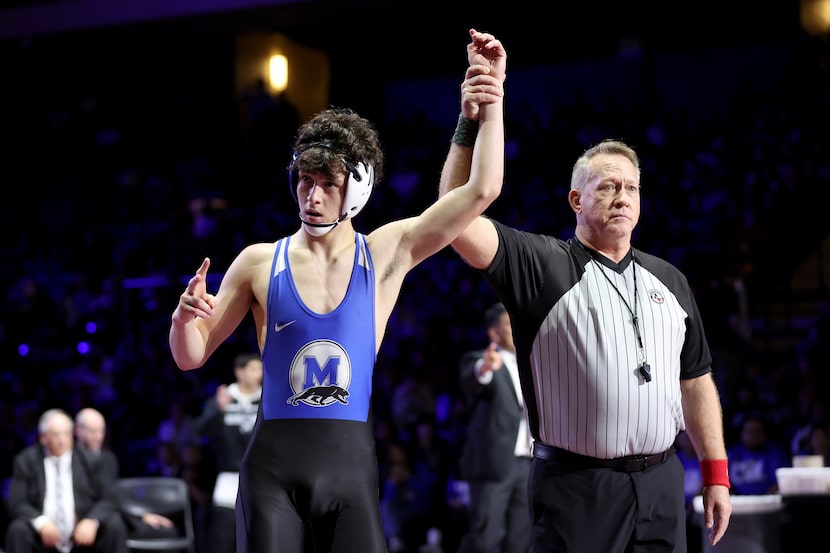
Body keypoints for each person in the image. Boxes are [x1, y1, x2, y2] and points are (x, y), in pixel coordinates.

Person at [168, 28, 505, 553]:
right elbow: (191, 358)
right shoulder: (260, 261)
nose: (313, 194)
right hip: (271, 474)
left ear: (359, 187)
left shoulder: (386, 251)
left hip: (349, 472)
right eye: (305, 179)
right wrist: (183, 319)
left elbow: (481, 191)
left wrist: (486, 105)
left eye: (329, 182)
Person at [437, 34, 732, 550]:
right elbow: (455, 217)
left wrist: (716, 471)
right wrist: (475, 118)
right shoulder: (543, 264)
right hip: (576, 490)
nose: (623, 197)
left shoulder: (672, 280)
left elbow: (696, 381)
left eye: (632, 187)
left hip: (663, 482)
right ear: (576, 198)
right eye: (608, 186)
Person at [455, 302, 531, 553]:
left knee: (520, 542)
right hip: (495, 465)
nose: (516, 328)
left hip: (529, 464)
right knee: (485, 540)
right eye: (509, 324)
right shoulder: (482, 360)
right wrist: (485, 368)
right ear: (494, 333)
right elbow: (472, 380)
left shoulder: (532, 363)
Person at [5, 408, 128, 553]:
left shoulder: (91, 460)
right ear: (43, 437)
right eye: (56, 434)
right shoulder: (26, 461)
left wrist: (91, 520)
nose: (62, 439)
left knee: (114, 525)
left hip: (81, 536)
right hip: (43, 537)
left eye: (66, 433)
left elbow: (109, 498)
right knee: (17, 530)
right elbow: (17, 502)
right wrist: (41, 522)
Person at [74, 407, 179, 542]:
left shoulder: (108, 459)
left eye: (102, 431)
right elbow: (100, 498)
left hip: (121, 515)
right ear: (78, 430)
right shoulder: (71, 461)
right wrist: (92, 520)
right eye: (93, 431)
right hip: (96, 520)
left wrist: (141, 514)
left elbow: (115, 494)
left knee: (168, 531)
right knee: (115, 526)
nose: (98, 437)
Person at [194, 352, 263, 553]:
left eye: (260, 369)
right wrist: (218, 409)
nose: (259, 374)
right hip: (228, 478)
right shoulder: (223, 399)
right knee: (222, 539)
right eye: (253, 369)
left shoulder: (267, 400)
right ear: (239, 372)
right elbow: (199, 432)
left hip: (260, 477)